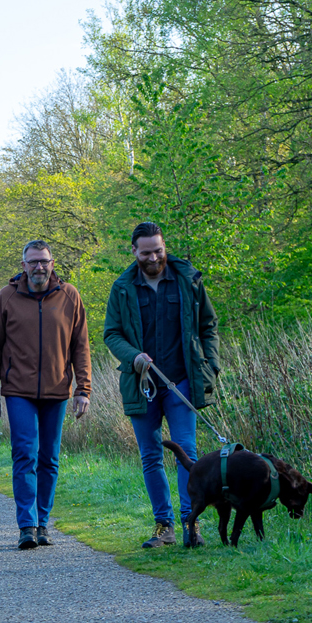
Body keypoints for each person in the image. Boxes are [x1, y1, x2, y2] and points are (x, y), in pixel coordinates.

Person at [101, 221, 221, 549]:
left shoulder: (188, 280)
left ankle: (191, 524)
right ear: (133, 251)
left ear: (164, 246)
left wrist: (211, 366)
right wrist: (133, 357)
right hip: (142, 386)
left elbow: (208, 325)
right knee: (151, 456)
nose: (153, 258)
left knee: (187, 451)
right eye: (146, 253)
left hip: (182, 383)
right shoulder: (122, 288)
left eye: (158, 250)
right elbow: (111, 333)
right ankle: (163, 526)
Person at [0, 240, 92, 550]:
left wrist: (83, 389)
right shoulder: (7, 297)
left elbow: (80, 345)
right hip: (18, 390)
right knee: (25, 454)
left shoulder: (69, 296)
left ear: (52, 263)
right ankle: (27, 526)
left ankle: (43, 523)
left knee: (49, 458)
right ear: (23, 266)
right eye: (33, 262)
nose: (39, 267)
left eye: (44, 261)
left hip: (57, 390)